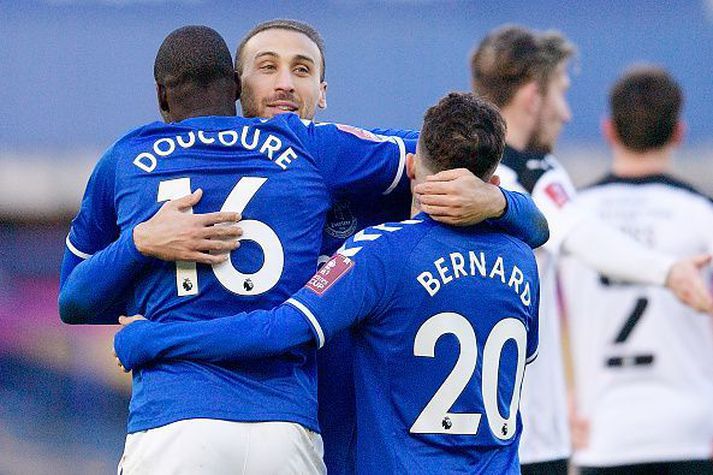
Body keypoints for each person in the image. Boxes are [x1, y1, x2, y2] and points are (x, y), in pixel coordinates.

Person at [58, 25, 547, 474]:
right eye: (267, 67)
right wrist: (140, 245)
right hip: (293, 428)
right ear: (235, 87)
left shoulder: (347, 159)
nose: (286, 83)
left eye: (303, 69)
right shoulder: (310, 150)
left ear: (324, 93)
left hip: (349, 444)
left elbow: (453, 153)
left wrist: (501, 201)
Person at [469, 25, 713, 475]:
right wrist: (668, 271)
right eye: (560, 93)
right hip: (531, 439)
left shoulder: (453, 174)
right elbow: (578, 233)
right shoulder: (535, 176)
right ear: (532, 97)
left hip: (465, 434)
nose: (564, 113)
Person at [560, 66, 713, 475]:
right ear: (679, 132)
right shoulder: (702, 215)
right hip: (692, 433)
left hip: (602, 435)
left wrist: (561, 401)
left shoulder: (572, 218)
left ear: (608, 129)